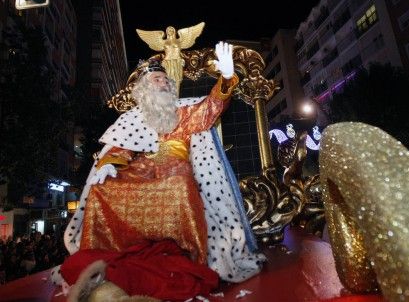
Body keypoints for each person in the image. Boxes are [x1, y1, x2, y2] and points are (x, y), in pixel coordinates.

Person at [52, 42, 265, 300]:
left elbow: (211, 108)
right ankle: (109, 254)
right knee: (102, 189)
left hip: (175, 166)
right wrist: (109, 163)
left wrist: (227, 77)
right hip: (140, 169)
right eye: (157, 79)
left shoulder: (184, 112)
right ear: (144, 89)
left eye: (165, 80)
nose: (164, 83)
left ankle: (186, 254)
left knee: (178, 186)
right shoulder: (133, 118)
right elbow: (121, 147)